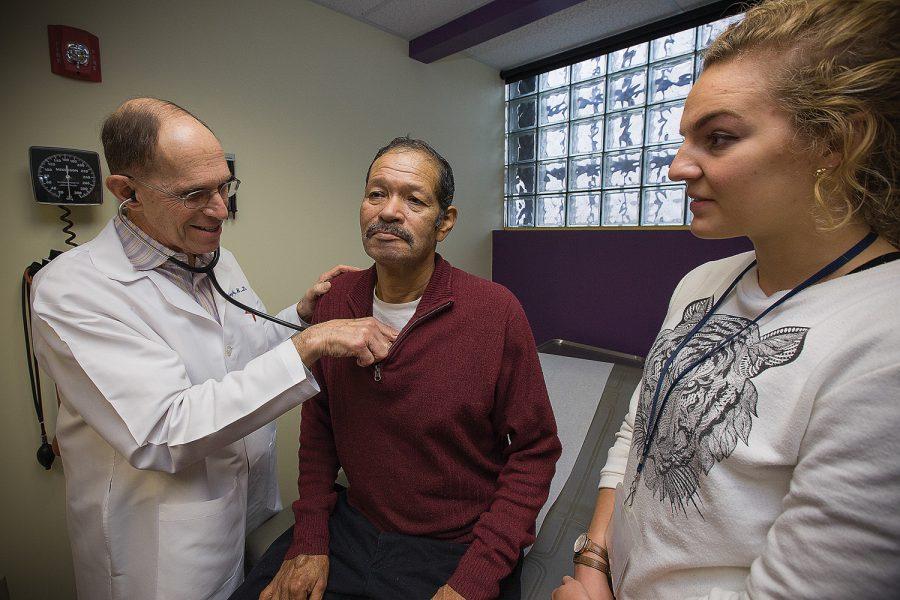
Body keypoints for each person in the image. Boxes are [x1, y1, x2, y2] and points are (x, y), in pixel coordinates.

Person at [554, 0, 900, 598]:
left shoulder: (883, 338)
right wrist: (594, 561)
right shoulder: (704, 283)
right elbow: (641, 429)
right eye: (686, 138)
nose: (676, 167)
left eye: (718, 138)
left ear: (834, 142)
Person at [30, 98, 398, 600]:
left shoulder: (213, 258)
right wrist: (311, 344)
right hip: (158, 551)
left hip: (237, 512)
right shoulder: (72, 291)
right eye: (195, 194)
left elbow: (240, 357)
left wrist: (299, 317)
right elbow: (163, 430)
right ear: (126, 191)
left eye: (225, 186)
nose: (221, 209)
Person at [237, 137, 562, 600]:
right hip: (353, 525)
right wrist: (309, 538)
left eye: (414, 199)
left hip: (456, 545)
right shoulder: (338, 299)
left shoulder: (495, 313)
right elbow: (319, 423)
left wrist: (474, 579)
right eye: (376, 193)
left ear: (444, 222)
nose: (389, 211)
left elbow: (535, 451)